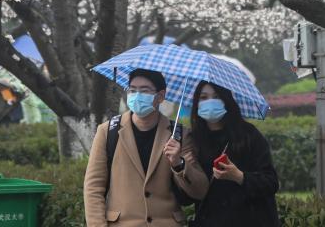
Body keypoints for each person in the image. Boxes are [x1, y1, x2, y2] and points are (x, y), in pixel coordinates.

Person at [84, 69, 209, 226]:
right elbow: (94, 187)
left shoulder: (179, 134)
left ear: (161, 96)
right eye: (132, 90)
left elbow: (200, 190)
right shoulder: (108, 131)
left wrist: (179, 164)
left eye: (144, 91)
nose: (137, 95)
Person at [187, 81, 280, 226]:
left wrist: (239, 177)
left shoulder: (248, 135)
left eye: (216, 96)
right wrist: (182, 168)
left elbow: (271, 182)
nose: (210, 102)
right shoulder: (192, 141)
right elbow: (185, 198)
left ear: (226, 100)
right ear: (196, 103)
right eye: (203, 97)